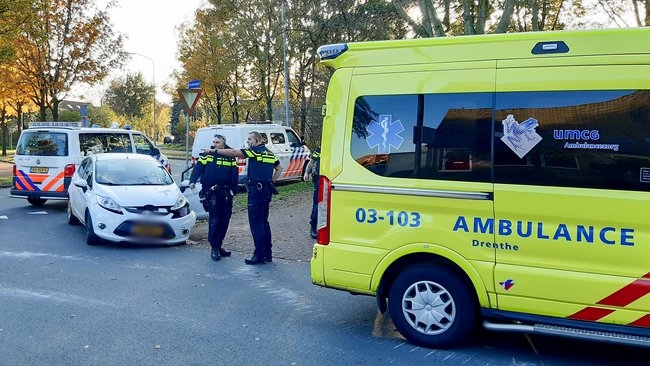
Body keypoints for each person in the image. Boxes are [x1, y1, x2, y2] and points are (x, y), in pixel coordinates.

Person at [206, 131, 283, 265]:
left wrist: (216, 151)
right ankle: (267, 254)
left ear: (257, 140)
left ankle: (259, 255)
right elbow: (279, 168)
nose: (248, 142)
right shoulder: (269, 153)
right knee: (264, 222)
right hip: (266, 191)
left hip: (256, 193)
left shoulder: (255, 151)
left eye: (250, 139)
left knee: (256, 224)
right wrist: (272, 181)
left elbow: (235, 153)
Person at [189, 134, 239, 261]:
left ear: (223, 144)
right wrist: (192, 181)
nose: (214, 144)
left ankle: (219, 244)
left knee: (225, 220)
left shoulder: (231, 156)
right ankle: (214, 248)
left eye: (217, 142)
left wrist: (234, 190)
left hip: (227, 193)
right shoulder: (208, 155)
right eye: (214, 142)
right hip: (212, 193)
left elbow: (234, 174)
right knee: (215, 220)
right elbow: (198, 168)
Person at [303, 146, 320, 239]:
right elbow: (311, 162)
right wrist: (306, 173)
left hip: (332, 179)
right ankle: (313, 227)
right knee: (317, 205)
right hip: (319, 179)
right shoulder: (320, 149)